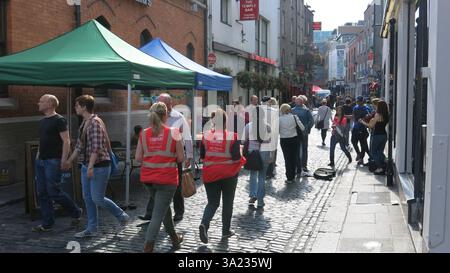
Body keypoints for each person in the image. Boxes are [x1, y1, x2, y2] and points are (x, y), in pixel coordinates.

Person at [65, 95, 129, 238]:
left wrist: (91, 167)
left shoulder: (94, 123)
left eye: (76, 105)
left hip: (99, 166)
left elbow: (96, 148)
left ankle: (121, 215)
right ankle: (92, 228)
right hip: (86, 165)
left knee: (97, 198)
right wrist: (70, 160)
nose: (75, 108)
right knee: (87, 198)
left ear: (83, 106)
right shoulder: (84, 123)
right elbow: (79, 146)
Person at [135, 102, 185, 253]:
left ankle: (175, 239)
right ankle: (148, 246)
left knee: (163, 210)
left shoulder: (144, 133)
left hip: (149, 180)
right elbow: (181, 158)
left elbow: (138, 158)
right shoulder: (174, 132)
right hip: (167, 180)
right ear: (166, 116)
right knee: (158, 213)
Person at [138, 93, 193, 222]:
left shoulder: (178, 117)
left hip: (173, 157)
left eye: (163, 103)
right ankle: (150, 213)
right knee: (154, 184)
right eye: (158, 102)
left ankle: (178, 212)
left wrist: (189, 156)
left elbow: (187, 137)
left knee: (177, 186)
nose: (160, 105)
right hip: (157, 156)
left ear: (170, 104)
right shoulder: (154, 115)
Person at [32, 94, 82, 232]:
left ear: (49, 104)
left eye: (41, 101)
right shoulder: (42, 121)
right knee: (42, 193)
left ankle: (76, 211)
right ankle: (47, 223)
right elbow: (42, 140)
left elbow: (66, 141)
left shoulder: (59, 120)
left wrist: (64, 159)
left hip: (53, 161)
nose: (38, 103)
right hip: (41, 161)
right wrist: (38, 156)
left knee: (54, 192)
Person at [198, 109, 246, 243]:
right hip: (228, 174)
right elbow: (237, 158)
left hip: (210, 173)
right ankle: (225, 231)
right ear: (226, 121)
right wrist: (241, 151)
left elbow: (202, 156)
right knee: (228, 203)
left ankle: (204, 224)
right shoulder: (233, 136)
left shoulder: (206, 135)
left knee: (212, 203)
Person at [243, 106, 272, 209]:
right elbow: (269, 141)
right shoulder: (267, 126)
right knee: (262, 177)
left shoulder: (248, 126)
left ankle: (253, 195)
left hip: (252, 153)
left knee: (253, 175)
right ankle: (260, 201)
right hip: (264, 152)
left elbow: (243, 140)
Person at [360, 100, 389, 175]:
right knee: (380, 151)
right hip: (384, 135)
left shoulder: (377, 115)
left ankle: (380, 167)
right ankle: (385, 162)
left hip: (377, 135)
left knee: (373, 152)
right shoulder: (386, 114)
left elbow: (370, 126)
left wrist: (362, 122)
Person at [279, 104, 305, 184]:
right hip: (294, 139)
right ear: (289, 110)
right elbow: (302, 128)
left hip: (284, 140)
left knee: (287, 159)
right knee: (293, 158)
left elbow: (276, 131)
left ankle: (289, 177)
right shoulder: (294, 117)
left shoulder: (279, 119)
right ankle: (293, 176)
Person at [292, 96, 314, 176]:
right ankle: (304, 166)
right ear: (302, 103)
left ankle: (296, 166)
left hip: (295, 133)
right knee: (304, 149)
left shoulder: (292, 110)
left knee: (295, 150)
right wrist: (307, 129)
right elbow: (312, 121)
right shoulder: (306, 110)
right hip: (304, 132)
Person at [351, 96, 371, 165]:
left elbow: (369, 115)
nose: (358, 102)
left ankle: (363, 159)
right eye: (357, 101)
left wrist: (366, 117)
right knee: (353, 141)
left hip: (363, 128)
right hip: (355, 128)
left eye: (359, 101)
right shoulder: (355, 107)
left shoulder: (366, 108)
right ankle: (359, 154)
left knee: (364, 145)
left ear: (363, 101)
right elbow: (353, 116)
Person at [264, 97, 279, 179]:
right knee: (272, 152)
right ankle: (270, 171)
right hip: (273, 133)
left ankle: (266, 170)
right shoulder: (275, 112)